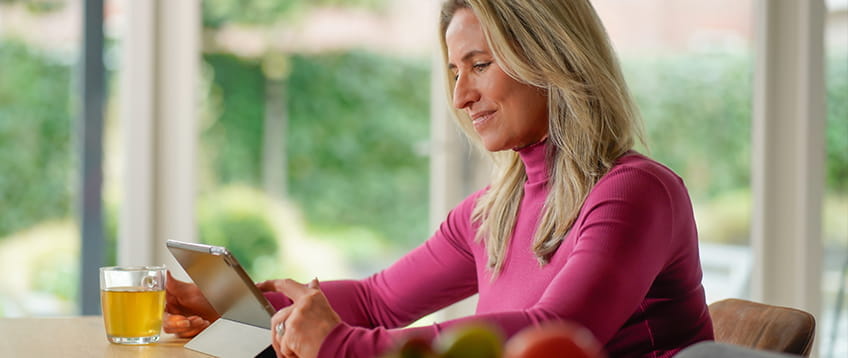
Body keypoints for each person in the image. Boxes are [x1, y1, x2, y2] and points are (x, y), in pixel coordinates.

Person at [163, 0, 715, 357]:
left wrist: (343, 347)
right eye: (454, 71)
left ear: (552, 58)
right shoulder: (491, 212)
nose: (460, 96)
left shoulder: (634, 192)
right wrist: (242, 309)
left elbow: (561, 333)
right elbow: (379, 301)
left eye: (479, 65)